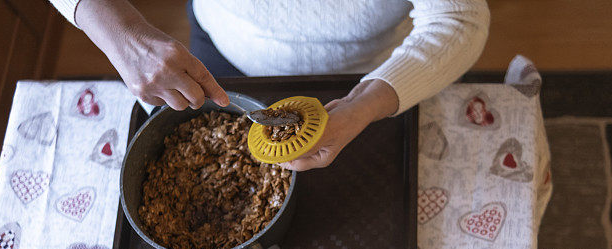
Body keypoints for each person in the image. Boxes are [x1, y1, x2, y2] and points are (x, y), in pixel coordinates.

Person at [50, 0, 489, 171]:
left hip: (371, 77)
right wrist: (122, 34)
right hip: (220, 49)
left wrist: (365, 104)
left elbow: (459, 18)